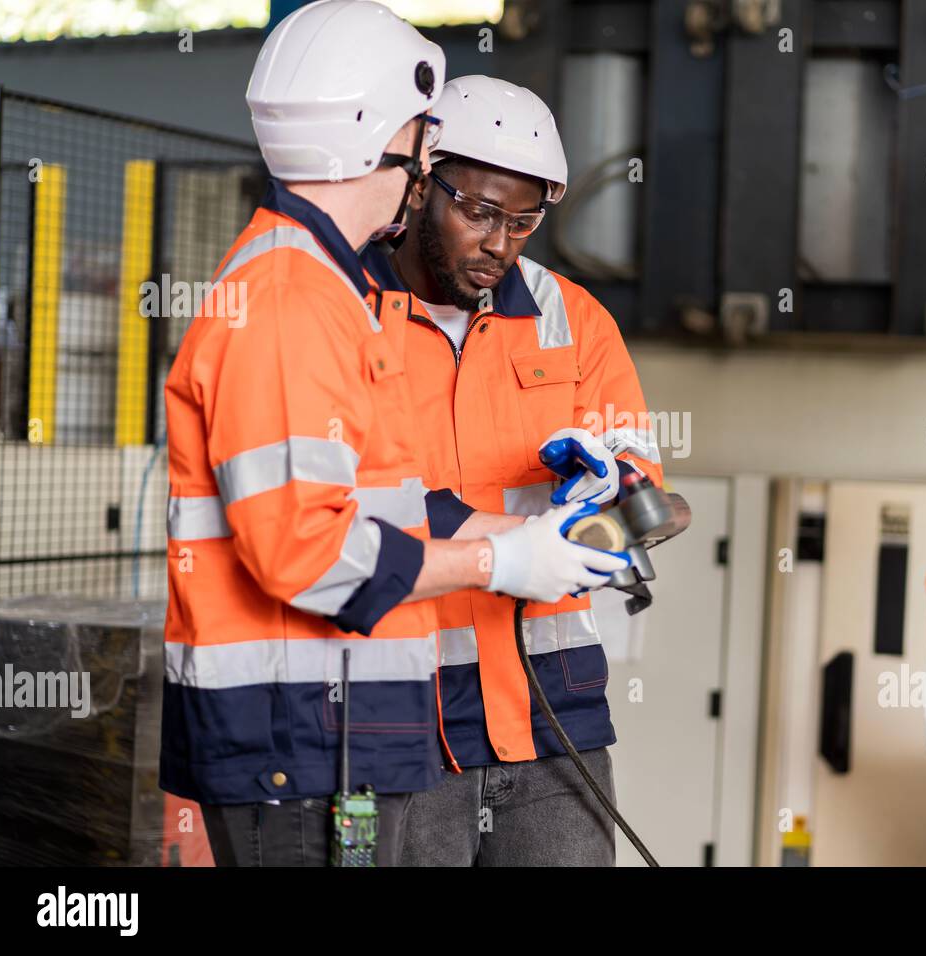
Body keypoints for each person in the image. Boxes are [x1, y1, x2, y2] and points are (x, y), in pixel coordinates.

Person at [160, 6, 627, 867]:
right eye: (419, 139)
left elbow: (382, 502)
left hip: (363, 729)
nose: (418, 162)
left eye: (521, 222)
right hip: (301, 738)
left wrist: (576, 515)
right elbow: (301, 548)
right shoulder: (301, 301)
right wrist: (501, 559)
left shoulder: (314, 290)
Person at [381, 75, 664, 866]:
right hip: (406, 720)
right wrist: (501, 540)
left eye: (526, 220)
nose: (501, 242)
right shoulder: (351, 314)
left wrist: (611, 492)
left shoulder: (572, 318)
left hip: (553, 720)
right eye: (478, 212)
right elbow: (350, 502)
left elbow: (647, 498)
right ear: (420, 184)